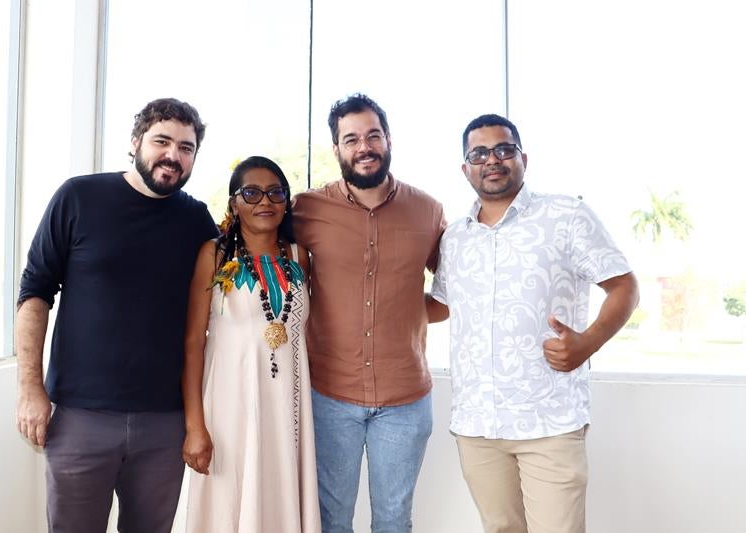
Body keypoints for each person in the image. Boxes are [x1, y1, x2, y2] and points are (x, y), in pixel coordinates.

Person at [15, 98, 219, 532]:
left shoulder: (196, 220)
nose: (173, 155)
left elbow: (225, 301)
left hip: (164, 423)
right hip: (79, 417)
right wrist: (30, 388)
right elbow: (34, 292)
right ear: (135, 142)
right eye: (162, 141)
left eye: (186, 147)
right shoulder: (78, 197)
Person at [428, 114, 639, 533]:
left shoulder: (567, 215)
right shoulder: (455, 238)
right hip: (477, 424)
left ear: (523, 158)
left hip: (549, 422)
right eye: (479, 153)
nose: (492, 160)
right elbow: (441, 305)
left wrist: (587, 342)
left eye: (504, 149)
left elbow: (624, 287)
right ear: (465, 168)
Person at [293, 94, 446, 533]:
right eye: (352, 139)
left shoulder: (428, 211)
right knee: (330, 520)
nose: (364, 147)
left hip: (405, 399)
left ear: (388, 139)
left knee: (394, 521)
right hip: (328, 396)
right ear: (336, 148)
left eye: (373, 135)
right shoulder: (306, 210)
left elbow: (452, 292)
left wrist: (402, 313)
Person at [182, 156, 320, 532]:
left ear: (287, 201)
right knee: (228, 502)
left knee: (279, 495)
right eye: (252, 193)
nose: (265, 201)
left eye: (276, 192)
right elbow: (193, 343)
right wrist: (195, 426)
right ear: (234, 203)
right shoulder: (214, 255)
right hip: (229, 408)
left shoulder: (299, 256)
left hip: (287, 408)